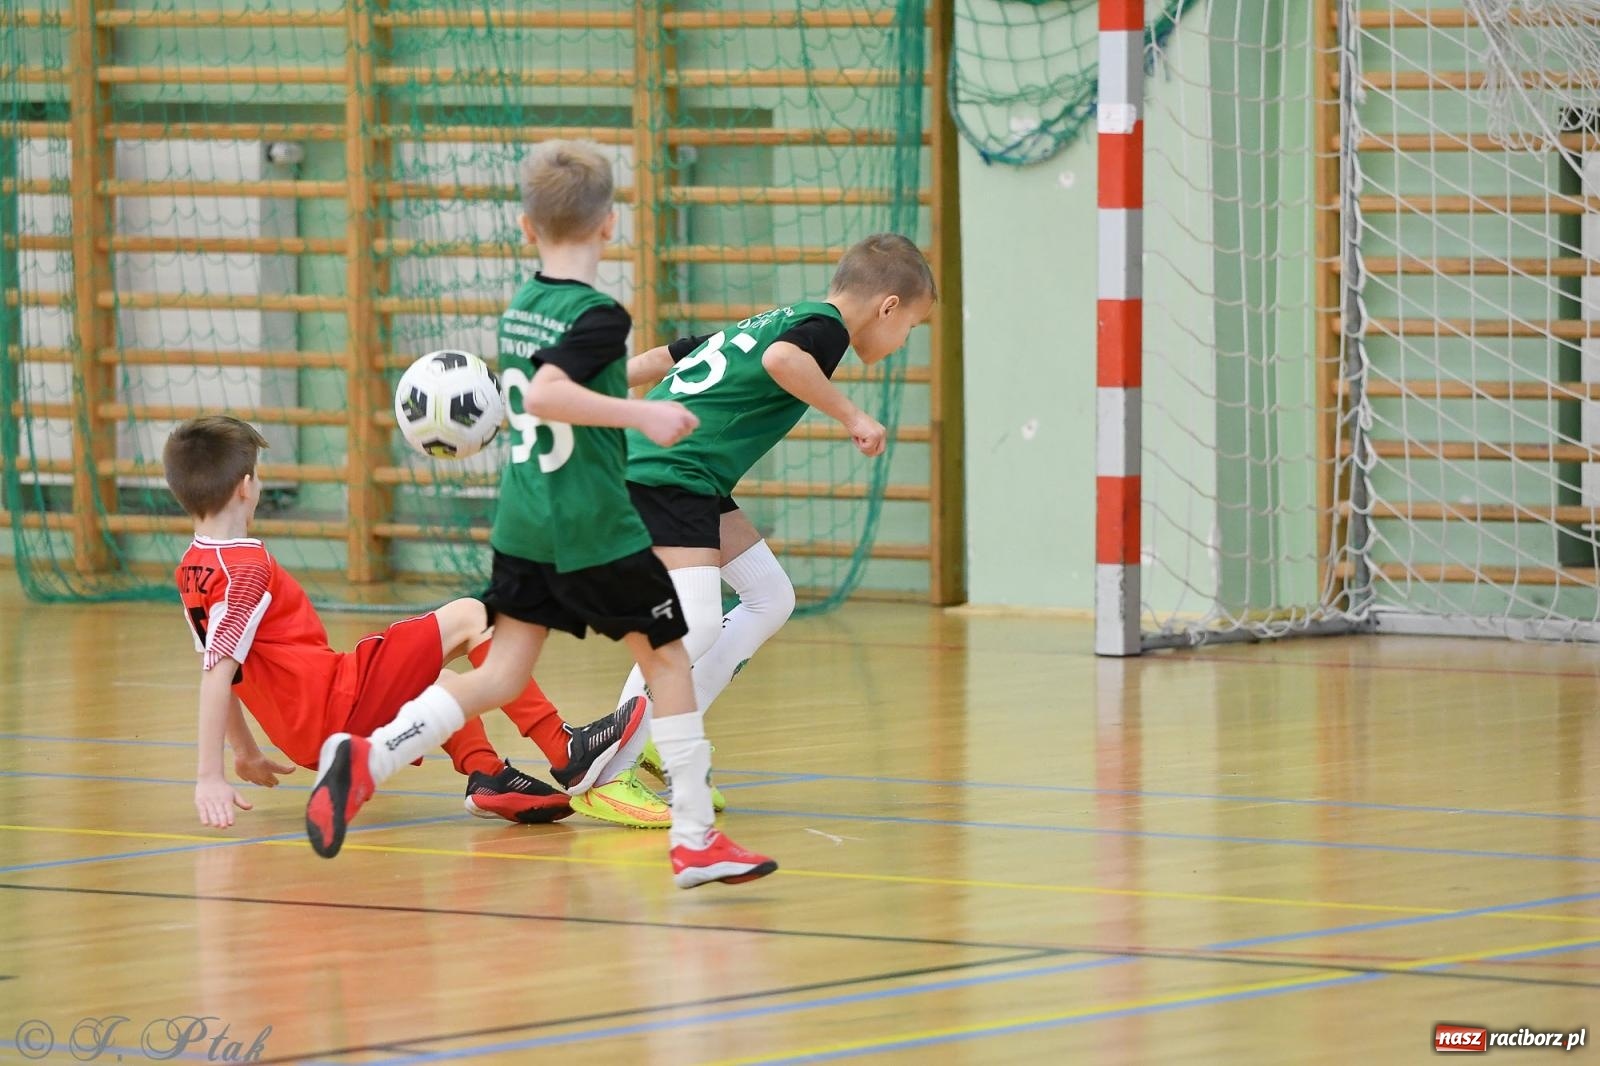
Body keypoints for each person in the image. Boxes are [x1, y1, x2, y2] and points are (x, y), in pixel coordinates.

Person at [303, 140, 778, 889]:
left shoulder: (526, 308)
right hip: (588, 525)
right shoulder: (598, 313)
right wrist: (640, 417)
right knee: (671, 658)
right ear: (610, 225)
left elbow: (580, 371)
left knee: (499, 676)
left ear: (527, 228)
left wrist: (673, 358)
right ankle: (695, 839)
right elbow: (554, 393)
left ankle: (370, 754)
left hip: (525, 522)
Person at [567, 233, 936, 826]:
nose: (904, 341)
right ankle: (606, 769)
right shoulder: (822, 332)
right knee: (697, 623)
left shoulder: (782, 317)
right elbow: (782, 364)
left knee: (770, 595)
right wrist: (853, 415)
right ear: (888, 307)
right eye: (911, 327)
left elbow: (672, 355)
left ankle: (666, 740)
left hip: (691, 475)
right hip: (671, 471)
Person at [162, 414, 645, 830]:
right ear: (247, 486)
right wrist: (210, 775)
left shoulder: (193, 567)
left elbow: (217, 666)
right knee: (470, 616)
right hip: (333, 701)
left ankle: (487, 775)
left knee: (439, 681)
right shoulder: (246, 569)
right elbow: (219, 673)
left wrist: (245, 751)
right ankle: (566, 750)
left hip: (303, 728)